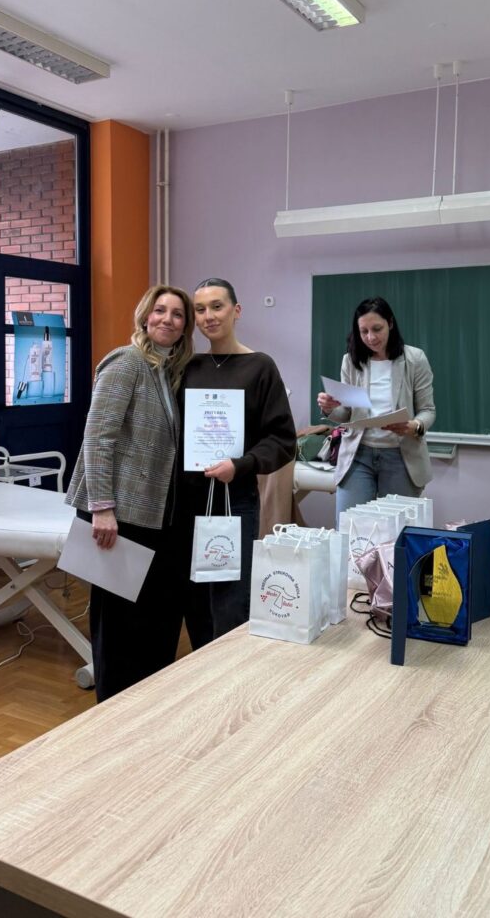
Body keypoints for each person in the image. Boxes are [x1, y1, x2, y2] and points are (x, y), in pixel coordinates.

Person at [66, 284, 195, 702]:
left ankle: (146, 703)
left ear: (185, 327)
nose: (168, 319)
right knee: (119, 625)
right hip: (118, 516)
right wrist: (102, 508)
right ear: (145, 316)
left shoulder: (165, 372)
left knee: (152, 619)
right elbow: (97, 437)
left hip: (153, 516)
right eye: (160, 310)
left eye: (177, 314)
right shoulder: (127, 362)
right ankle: (113, 708)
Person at [178, 278, 296, 648]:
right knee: (195, 599)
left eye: (217, 306)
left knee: (230, 599)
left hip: (235, 500)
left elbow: (282, 440)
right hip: (187, 501)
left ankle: (229, 671)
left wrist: (241, 465)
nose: (209, 316)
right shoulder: (186, 367)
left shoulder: (260, 367)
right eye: (200, 309)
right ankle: (202, 667)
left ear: (236, 311)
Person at [316, 297, 435, 522]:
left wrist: (414, 426)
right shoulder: (351, 361)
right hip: (358, 455)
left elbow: (428, 410)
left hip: (401, 456)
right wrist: (330, 409)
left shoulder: (414, 359)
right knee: (351, 528)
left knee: (397, 532)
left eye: (377, 329)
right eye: (364, 331)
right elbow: (348, 415)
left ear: (390, 323)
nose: (371, 337)